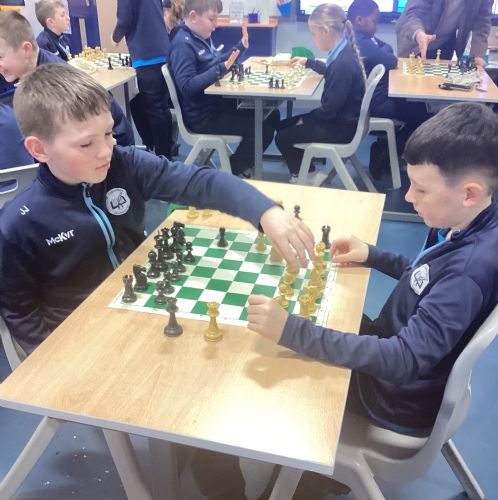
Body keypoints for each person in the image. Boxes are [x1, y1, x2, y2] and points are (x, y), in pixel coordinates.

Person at [0, 63, 315, 358]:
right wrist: (53, 361)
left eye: (108, 133)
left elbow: (200, 183)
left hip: (145, 305)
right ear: (39, 149)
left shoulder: (125, 163)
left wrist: (265, 211)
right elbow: (21, 314)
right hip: (84, 338)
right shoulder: (18, 224)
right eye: (86, 144)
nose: (105, 151)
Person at [248, 102, 498, 435]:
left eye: (421, 189)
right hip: (394, 348)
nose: (408, 197)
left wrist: (293, 332)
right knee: (322, 313)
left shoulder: (467, 273)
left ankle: (295, 469)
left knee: (267, 367)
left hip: (391, 394)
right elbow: (426, 278)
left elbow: (404, 359)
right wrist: (372, 254)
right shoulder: (465, 222)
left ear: (469, 193)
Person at [169, 0, 280, 177]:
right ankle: (232, 170)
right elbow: (187, 87)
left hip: (217, 105)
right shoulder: (182, 45)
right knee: (263, 129)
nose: (216, 25)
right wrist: (219, 70)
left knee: (271, 113)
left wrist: (240, 47)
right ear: (193, 17)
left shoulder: (199, 37)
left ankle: (240, 164)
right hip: (203, 117)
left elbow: (218, 62)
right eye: (212, 19)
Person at [0, 10, 134, 147]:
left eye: (0, 57)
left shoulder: (59, 85)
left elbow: (112, 130)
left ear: (26, 50)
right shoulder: (13, 69)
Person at [274, 3, 366, 183]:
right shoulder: (343, 52)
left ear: (325, 31)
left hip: (340, 129)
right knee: (284, 125)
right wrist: (309, 62)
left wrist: (306, 120)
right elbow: (330, 71)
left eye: (313, 34)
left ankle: (307, 176)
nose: (313, 38)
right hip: (346, 121)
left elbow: (328, 111)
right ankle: (307, 168)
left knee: (282, 138)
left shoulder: (342, 65)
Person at [347, 0, 430, 179]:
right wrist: (383, 52)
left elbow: (388, 49)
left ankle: (386, 150)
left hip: (380, 96)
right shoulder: (360, 41)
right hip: (375, 102)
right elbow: (391, 60)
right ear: (360, 20)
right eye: (374, 21)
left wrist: (383, 52)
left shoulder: (364, 38)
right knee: (425, 118)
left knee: (421, 111)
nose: (376, 26)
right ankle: (384, 152)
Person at [112, 0, 174, 158]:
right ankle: (164, 152)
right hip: (162, 51)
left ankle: (161, 158)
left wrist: (115, 37)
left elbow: (124, 20)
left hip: (147, 55)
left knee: (155, 109)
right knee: (159, 107)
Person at [396, 0, 493, 66]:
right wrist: (419, 34)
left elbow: (482, 22)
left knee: (439, 86)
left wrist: (477, 55)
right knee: (410, 84)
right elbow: (413, 13)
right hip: (415, 40)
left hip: (445, 42)